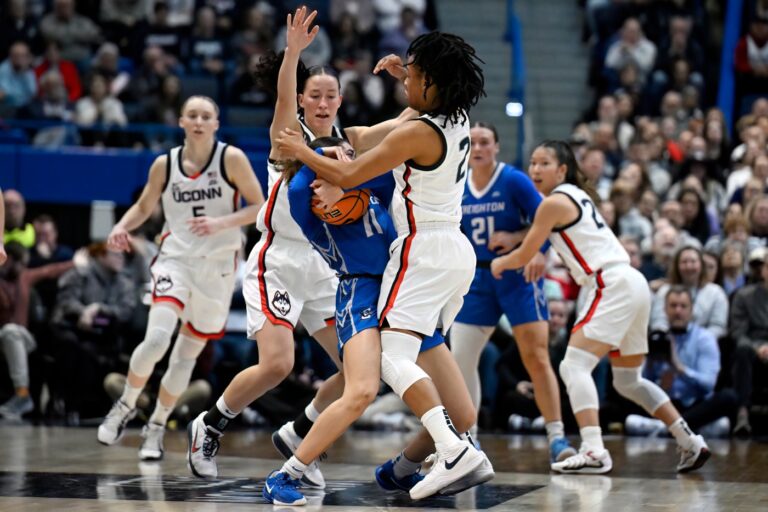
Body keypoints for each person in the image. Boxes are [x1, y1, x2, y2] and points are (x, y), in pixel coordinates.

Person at [186, 6, 416, 484]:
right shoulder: (289, 137)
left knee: (358, 373)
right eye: (316, 94)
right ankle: (210, 423)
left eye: (332, 94)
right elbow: (283, 102)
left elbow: (405, 122)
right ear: (304, 100)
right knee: (278, 364)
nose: (325, 100)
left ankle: (301, 432)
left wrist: (412, 77)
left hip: (325, 266)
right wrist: (293, 54)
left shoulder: (351, 140)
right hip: (279, 261)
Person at [274, 29, 490, 500]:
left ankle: (452, 451)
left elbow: (351, 170)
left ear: (431, 81)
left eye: (412, 77)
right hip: (446, 256)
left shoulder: (410, 134)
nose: (404, 84)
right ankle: (405, 464)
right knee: (399, 385)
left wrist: (311, 156)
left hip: (420, 253)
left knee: (386, 362)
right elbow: (371, 138)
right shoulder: (454, 114)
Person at [490, 140, 709, 474]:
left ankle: (593, 450)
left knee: (573, 365)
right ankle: (689, 440)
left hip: (609, 284)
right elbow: (541, 231)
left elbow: (527, 251)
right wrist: (517, 237)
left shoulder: (552, 203)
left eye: (544, 163)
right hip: (631, 283)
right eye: (532, 163)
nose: (535, 169)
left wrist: (501, 262)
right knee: (628, 382)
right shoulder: (577, 196)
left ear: (562, 169)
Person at [96, 95, 265, 462]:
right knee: (156, 338)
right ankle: (125, 404)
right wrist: (122, 227)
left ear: (216, 123)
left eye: (207, 116)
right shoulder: (165, 163)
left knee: (185, 356)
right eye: (193, 115)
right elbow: (145, 204)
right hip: (175, 259)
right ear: (181, 121)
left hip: (217, 266)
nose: (200, 121)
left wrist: (221, 222)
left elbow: (260, 206)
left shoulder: (230, 159)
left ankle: (156, 425)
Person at [449, 121, 576, 464]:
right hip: (475, 278)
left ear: (497, 147)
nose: (478, 148)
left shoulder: (514, 180)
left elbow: (547, 220)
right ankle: (466, 442)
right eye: (472, 142)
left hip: (518, 274)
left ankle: (557, 438)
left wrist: (531, 248)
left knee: (535, 357)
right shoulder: (455, 184)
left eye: (485, 142)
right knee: (460, 361)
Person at [626, 286, 737, 436]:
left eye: (683, 306)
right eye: (673, 306)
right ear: (665, 310)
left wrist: (679, 368)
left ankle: (666, 429)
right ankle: (684, 429)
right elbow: (643, 384)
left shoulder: (704, 338)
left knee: (728, 397)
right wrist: (655, 376)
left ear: (691, 310)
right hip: (665, 405)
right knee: (624, 391)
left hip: (695, 405)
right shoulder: (657, 339)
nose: (678, 311)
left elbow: (708, 385)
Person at [650, 246, 729, 339]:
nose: (689, 266)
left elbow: (718, 326)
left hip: (704, 343)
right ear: (677, 266)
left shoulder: (716, 293)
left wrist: (698, 340)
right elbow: (659, 321)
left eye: (693, 262)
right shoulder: (664, 291)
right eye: (684, 262)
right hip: (669, 342)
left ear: (701, 265)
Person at [729, 250, 768, 436]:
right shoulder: (744, 296)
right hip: (753, 347)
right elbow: (738, 331)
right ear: (763, 270)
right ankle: (742, 412)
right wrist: (757, 347)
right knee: (742, 349)